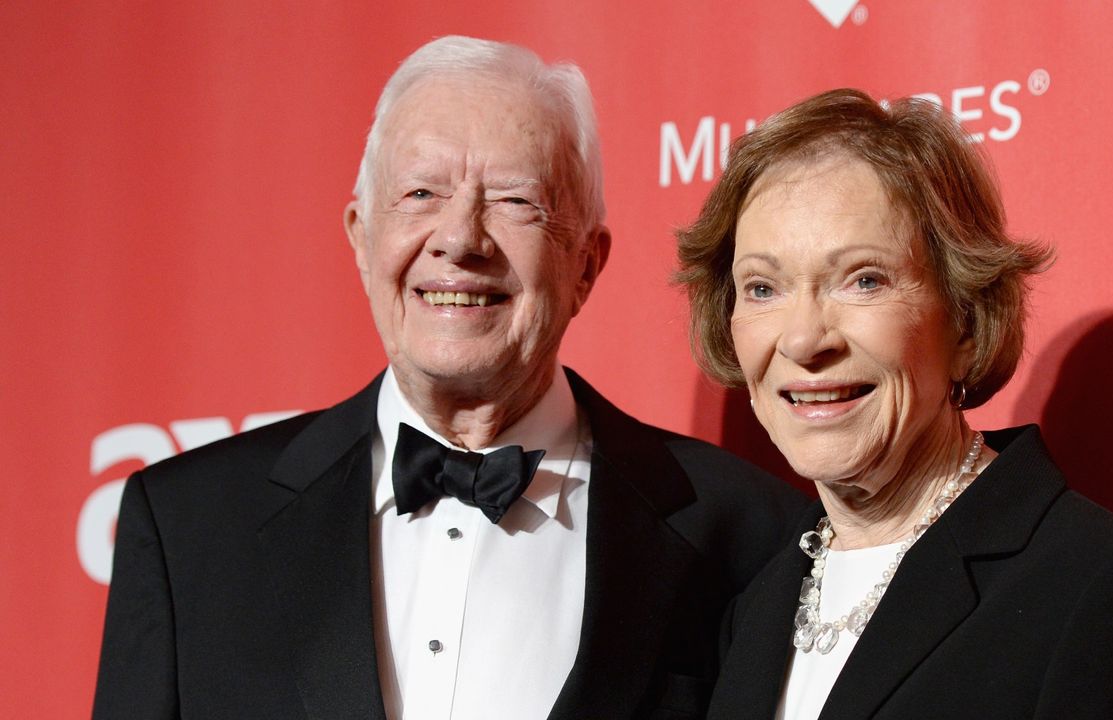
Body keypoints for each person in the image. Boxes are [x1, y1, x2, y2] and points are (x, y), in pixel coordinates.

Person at [93, 36, 805, 720]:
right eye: (422, 193)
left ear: (585, 264)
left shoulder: (747, 537)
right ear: (361, 238)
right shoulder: (190, 528)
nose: (461, 238)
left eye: (514, 200)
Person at [676, 89, 1113, 719]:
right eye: (763, 287)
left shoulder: (1108, 591)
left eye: (864, 279)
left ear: (965, 320)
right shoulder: (753, 608)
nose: (802, 340)